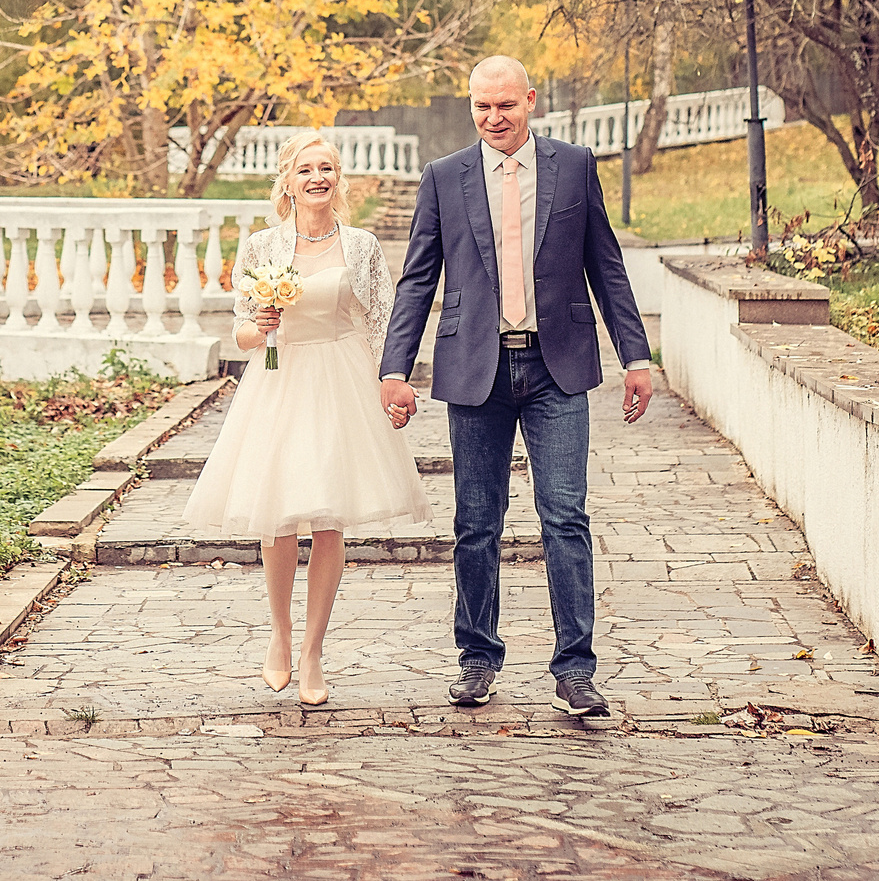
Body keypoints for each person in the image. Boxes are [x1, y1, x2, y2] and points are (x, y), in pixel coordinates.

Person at [378, 55, 655, 717]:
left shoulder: (575, 166)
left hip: (557, 366)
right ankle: (477, 658)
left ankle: (575, 670)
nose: (494, 117)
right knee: (476, 521)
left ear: (530, 100)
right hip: (477, 371)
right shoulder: (445, 178)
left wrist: (636, 356)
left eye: (506, 105)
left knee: (566, 516)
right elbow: (418, 277)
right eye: (482, 106)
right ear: (469, 105)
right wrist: (395, 368)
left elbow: (607, 268)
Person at [180, 130, 431, 705]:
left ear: (337, 180)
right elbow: (240, 332)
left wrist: (391, 386)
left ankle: (314, 652)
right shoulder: (262, 248)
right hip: (279, 380)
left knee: (328, 519)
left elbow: (382, 324)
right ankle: (279, 634)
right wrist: (261, 322)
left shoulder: (362, 245)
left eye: (328, 169)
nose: (318, 178)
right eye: (306, 170)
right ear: (287, 182)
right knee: (277, 518)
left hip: (342, 381)